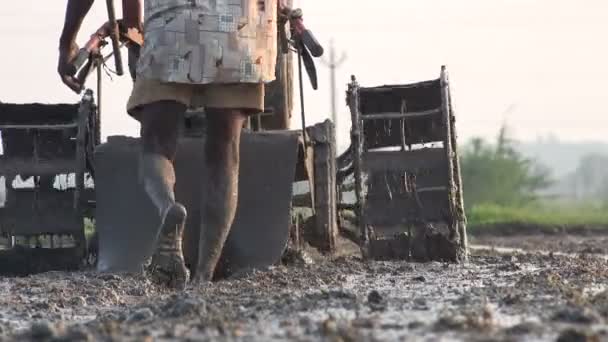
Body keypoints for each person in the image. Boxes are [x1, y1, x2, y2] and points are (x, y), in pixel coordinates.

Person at [57, 0, 282, 289]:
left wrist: (67, 44)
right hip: (241, 31)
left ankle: (168, 207)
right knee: (225, 153)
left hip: (173, 28)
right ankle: (203, 275)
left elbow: (132, 18)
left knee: (156, 145)